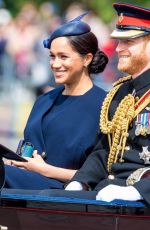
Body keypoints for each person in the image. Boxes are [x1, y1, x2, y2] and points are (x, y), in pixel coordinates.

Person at [4, 13, 108, 189]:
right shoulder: (45, 100)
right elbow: (28, 148)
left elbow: (102, 174)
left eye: (63, 56)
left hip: (64, 195)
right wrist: (16, 162)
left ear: (87, 59)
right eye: (52, 56)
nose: (55, 64)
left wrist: (44, 170)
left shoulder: (104, 106)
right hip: (23, 187)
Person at [65, 3, 150, 205]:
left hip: (140, 201)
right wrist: (80, 181)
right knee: (35, 199)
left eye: (128, 41)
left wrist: (139, 191)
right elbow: (104, 151)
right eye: (119, 41)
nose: (119, 48)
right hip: (107, 194)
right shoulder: (121, 92)